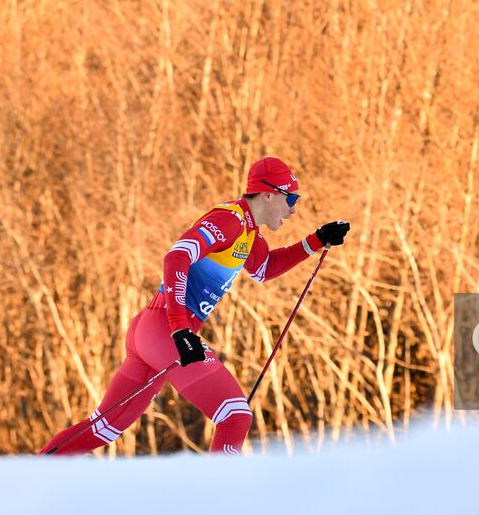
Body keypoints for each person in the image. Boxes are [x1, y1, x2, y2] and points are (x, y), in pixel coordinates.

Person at [40, 157, 350, 455]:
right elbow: (176, 257)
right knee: (235, 415)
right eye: (291, 200)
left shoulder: (249, 232)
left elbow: (264, 268)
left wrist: (317, 240)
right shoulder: (230, 220)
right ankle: (218, 499)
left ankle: (27, 479)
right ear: (269, 194)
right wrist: (179, 329)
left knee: (103, 429)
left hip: (153, 331)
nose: (293, 210)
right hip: (165, 327)